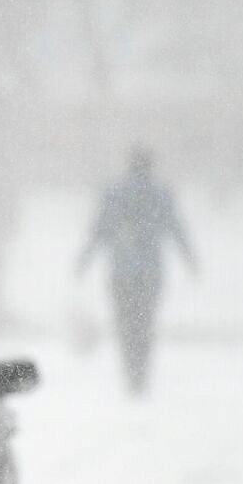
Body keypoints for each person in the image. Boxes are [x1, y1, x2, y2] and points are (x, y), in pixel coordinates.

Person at [78, 146, 198, 395]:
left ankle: (130, 374)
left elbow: (99, 229)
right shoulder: (161, 193)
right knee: (145, 323)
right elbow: (176, 227)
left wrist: (85, 260)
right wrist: (189, 258)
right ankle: (141, 375)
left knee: (125, 323)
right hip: (150, 272)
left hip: (121, 271)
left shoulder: (114, 192)